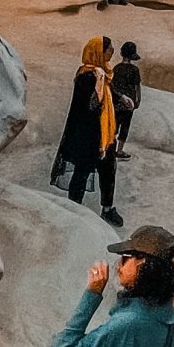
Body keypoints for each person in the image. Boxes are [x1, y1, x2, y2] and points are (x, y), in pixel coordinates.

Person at [50, 37, 123, 227]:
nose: (112, 52)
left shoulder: (104, 73)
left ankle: (107, 208)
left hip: (105, 136)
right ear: (99, 52)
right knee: (82, 172)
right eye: (108, 49)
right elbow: (91, 105)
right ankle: (74, 209)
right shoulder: (85, 77)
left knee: (108, 172)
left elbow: (109, 94)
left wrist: (121, 97)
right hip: (88, 137)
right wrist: (98, 81)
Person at [111, 42, 142, 158]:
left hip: (117, 101)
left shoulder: (116, 68)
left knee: (114, 124)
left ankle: (110, 147)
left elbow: (113, 84)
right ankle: (119, 150)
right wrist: (138, 100)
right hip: (129, 103)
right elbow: (137, 86)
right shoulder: (134, 70)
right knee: (125, 126)